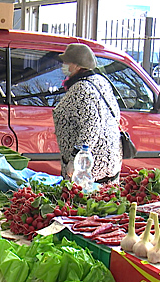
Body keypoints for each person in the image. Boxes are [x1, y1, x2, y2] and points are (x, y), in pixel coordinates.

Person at [52, 43, 122, 184]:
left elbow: (91, 127)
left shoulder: (81, 88)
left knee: (85, 203)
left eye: (67, 62)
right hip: (108, 162)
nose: (63, 65)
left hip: (89, 170)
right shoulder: (100, 81)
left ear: (78, 66)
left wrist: (76, 160)